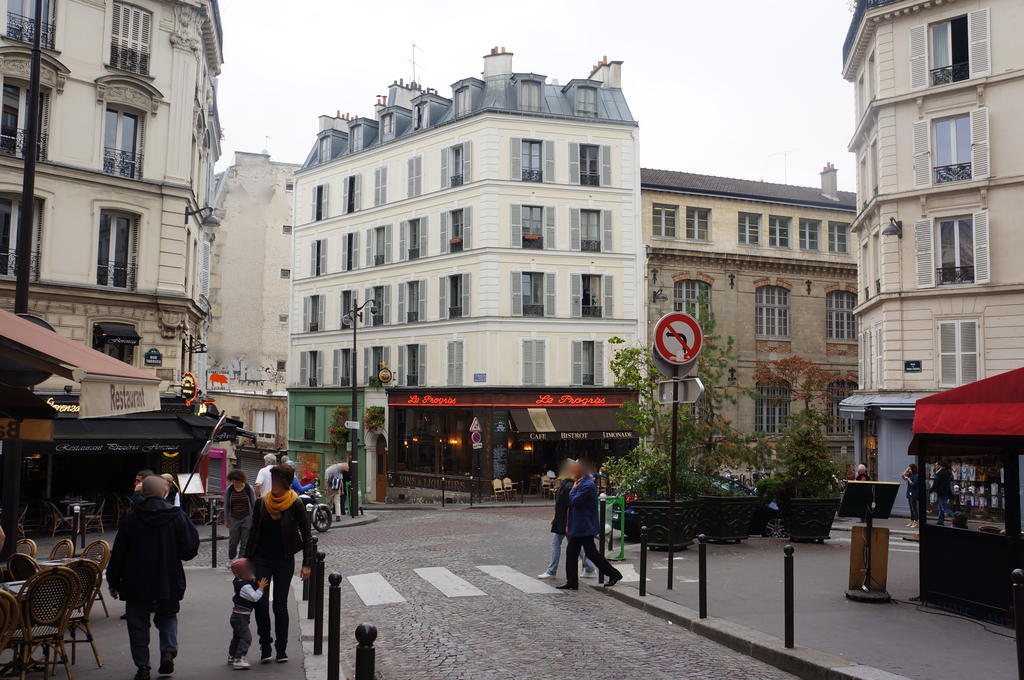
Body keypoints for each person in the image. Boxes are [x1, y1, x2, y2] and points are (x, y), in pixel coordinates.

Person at [107, 475, 200, 680]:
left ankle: (143, 666)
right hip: (168, 577)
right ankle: (168, 650)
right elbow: (189, 549)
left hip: (136, 580)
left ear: (143, 493)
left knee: (137, 624)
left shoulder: (132, 519)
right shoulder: (176, 516)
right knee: (167, 616)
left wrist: (113, 581)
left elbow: (119, 553)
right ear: (164, 492)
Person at [244, 465, 313, 664]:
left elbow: (307, 535)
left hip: (283, 561)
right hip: (262, 560)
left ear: (286, 483)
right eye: (271, 480)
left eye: (276, 481)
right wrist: (247, 561)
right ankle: (265, 645)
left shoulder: (296, 504)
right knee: (261, 603)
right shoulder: (261, 504)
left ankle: (281, 648)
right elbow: (253, 532)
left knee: (280, 606)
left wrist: (307, 563)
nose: (273, 484)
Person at [557, 461, 622, 591]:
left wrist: (573, 491)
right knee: (574, 553)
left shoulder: (587, 485)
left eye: (573, 470)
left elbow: (574, 501)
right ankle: (572, 582)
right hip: (579, 526)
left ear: (579, 471)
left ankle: (614, 574)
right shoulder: (583, 482)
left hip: (584, 526)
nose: (571, 472)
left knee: (590, 553)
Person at [538, 461, 596, 580]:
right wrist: (556, 516)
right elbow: (561, 503)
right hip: (563, 519)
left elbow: (571, 504)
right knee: (575, 545)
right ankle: (590, 568)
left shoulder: (570, 485)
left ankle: (551, 571)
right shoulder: (567, 483)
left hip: (566, 520)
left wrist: (567, 522)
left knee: (558, 544)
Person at [227, 558, 268, 670]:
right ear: (240, 574)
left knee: (237, 637)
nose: (251, 573)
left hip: (237, 616)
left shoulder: (238, 581)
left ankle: (232, 656)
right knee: (246, 638)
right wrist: (261, 588)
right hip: (241, 617)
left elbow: (249, 578)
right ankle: (239, 659)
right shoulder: (245, 586)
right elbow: (254, 597)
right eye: (248, 571)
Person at [223, 469, 255, 561]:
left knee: (245, 541)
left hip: (247, 518)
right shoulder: (230, 489)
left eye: (237, 481)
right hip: (234, 518)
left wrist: (254, 519)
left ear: (242, 481)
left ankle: (241, 561)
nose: (235, 483)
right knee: (233, 541)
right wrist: (226, 519)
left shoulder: (249, 488)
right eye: (233, 481)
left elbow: (254, 504)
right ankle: (231, 557)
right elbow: (226, 505)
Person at [930, 460, 955, 526]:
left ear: (939, 465)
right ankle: (940, 521)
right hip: (945, 492)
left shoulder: (941, 472)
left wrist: (931, 490)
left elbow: (936, 483)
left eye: (936, 465)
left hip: (942, 492)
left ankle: (958, 518)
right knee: (941, 508)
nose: (935, 466)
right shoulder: (947, 472)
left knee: (944, 508)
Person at [902, 464, 919, 528]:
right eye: (908, 469)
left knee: (914, 508)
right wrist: (906, 470)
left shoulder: (917, 476)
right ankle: (911, 520)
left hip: (914, 493)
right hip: (909, 492)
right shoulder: (910, 474)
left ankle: (915, 521)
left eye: (910, 469)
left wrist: (908, 479)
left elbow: (914, 484)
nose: (909, 470)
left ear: (913, 469)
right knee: (911, 508)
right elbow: (903, 476)